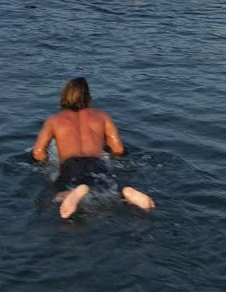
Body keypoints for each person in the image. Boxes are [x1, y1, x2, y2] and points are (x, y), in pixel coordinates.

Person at [32, 77, 156, 217]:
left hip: (71, 165)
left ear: (64, 95)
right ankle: (126, 191)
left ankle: (71, 194)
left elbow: (38, 152)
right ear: (88, 96)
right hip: (97, 163)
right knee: (109, 188)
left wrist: (46, 163)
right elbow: (118, 149)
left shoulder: (54, 120)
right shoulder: (103, 117)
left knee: (54, 193)